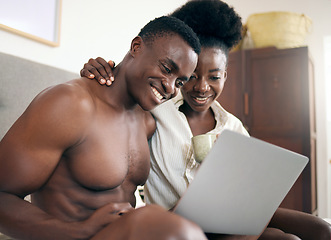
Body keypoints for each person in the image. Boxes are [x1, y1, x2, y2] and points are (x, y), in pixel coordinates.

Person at [80, 1, 331, 239]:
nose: (202, 87)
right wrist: (101, 70)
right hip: (175, 218)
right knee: (278, 237)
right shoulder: (155, 110)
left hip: (228, 215)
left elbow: (249, 190)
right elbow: (124, 88)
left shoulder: (233, 126)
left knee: (320, 229)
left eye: (214, 77)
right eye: (192, 77)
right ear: (182, 73)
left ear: (225, 76)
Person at [0, 16, 209, 240]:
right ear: (136, 47)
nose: (170, 87)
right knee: (177, 231)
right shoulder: (70, 104)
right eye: (167, 68)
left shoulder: (147, 122)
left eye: (179, 82)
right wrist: (79, 231)